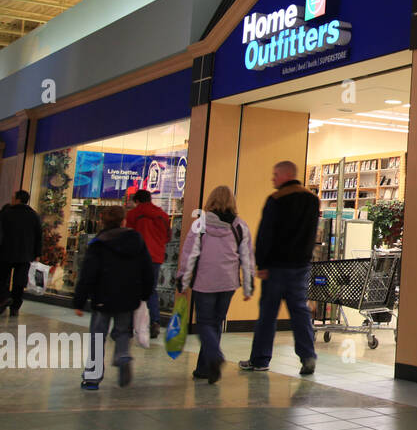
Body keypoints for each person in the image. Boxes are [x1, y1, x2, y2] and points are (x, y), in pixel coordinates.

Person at [240, 161, 321, 376]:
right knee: (300, 311)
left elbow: (266, 234)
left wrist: (262, 264)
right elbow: (312, 233)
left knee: (268, 314)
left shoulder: (275, 200)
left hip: (276, 266)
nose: (272, 179)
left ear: (286, 175)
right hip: (301, 265)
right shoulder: (313, 200)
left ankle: (260, 359)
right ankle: (308, 356)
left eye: (275, 174)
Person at [178, 185, 254, 384]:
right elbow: (247, 258)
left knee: (204, 323)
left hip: (204, 282)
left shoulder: (200, 225)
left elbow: (189, 255)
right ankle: (206, 369)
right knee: (216, 323)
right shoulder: (239, 226)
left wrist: (182, 280)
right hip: (228, 283)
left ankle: (214, 358)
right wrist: (248, 286)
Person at [73, 205, 154, 390]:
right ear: (123, 221)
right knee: (123, 330)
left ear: (103, 221)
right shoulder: (136, 240)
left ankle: (92, 378)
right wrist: (145, 293)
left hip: (102, 297)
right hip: (128, 296)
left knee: (97, 335)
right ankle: (122, 354)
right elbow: (147, 269)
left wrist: (79, 300)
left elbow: (87, 274)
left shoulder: (98, 243)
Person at [125, 189, 172, 338]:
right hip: (155, 259)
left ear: (137, 201)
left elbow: (129, 236)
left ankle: (129, 325)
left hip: (137, 257)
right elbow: (168, 237)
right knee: (151, 290)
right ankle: (155, 322)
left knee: (133, 289)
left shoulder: (133, 214)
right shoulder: (163, 215)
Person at [0, 190, 43, 316]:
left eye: (14, 197)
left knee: (2, 278)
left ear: (18, 199)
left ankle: (4, 297)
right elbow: (39, 236)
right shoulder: (34, 215)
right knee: (19, 282)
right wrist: (37, 253)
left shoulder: (6, 214)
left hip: (6, 252)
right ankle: (15, 307)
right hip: (25, 254)